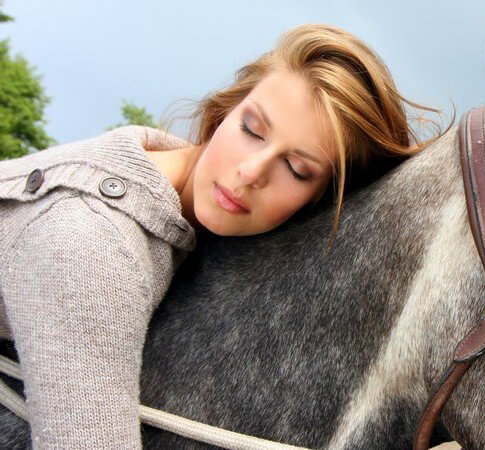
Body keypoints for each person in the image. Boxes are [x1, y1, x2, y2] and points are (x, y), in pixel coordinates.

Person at [0, 24, 447, 448]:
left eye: (296, 168)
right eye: (251, 129)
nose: (250, 173)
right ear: (223, 112)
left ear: (317, 201)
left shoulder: (166, 202)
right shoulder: (91, 244)